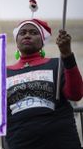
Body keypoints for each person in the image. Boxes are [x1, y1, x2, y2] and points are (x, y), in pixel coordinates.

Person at [5, 18, 83, 149]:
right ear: (16, 42)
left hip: (61, 141)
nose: (27, 35)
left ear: (42, 41)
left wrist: (67, 55)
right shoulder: (4, 73)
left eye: (33, 32)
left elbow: (76, 94)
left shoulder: (57, 64)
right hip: (20, 143)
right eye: (22, 33)